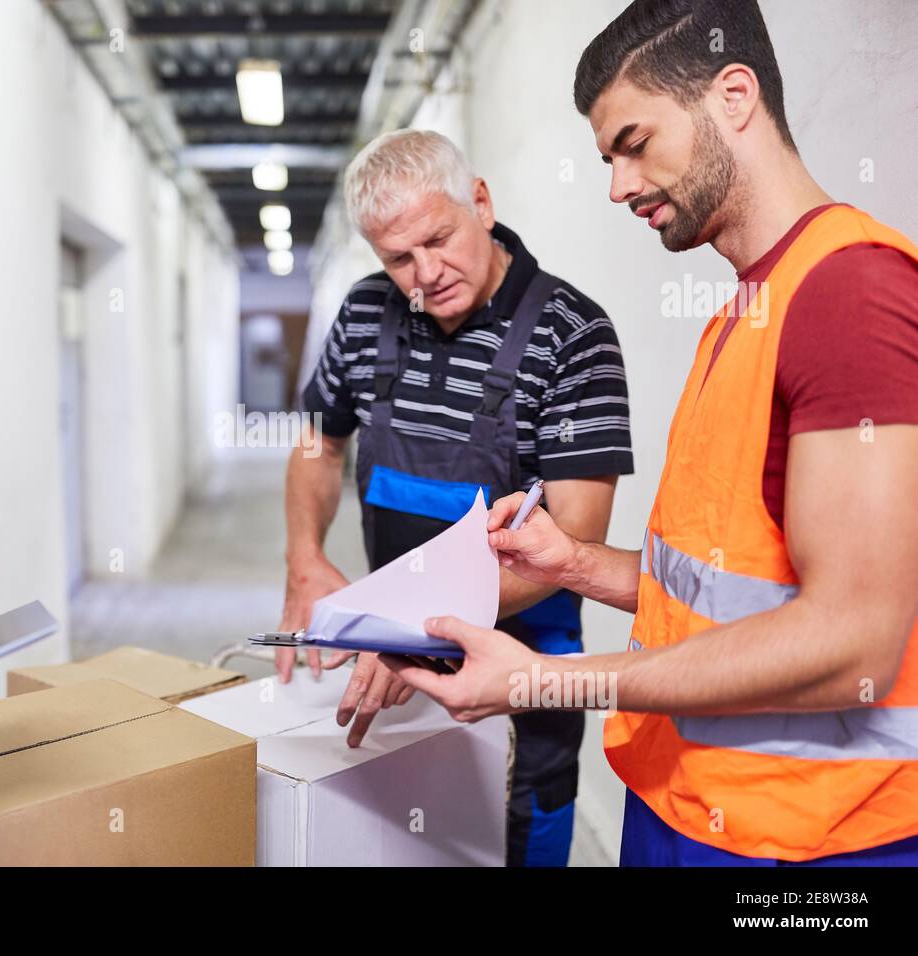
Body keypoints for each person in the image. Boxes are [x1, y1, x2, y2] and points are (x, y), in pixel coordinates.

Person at [387, 0, 918, 866]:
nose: (618, 185)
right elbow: (725, 590)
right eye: (607, 158)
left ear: (733, 96)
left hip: (811, 843)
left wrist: (539, 678)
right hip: (684, 803)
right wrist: (576, 565)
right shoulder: (745, 310)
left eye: (633, 143)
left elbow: (848, 639)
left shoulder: (848, 295)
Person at [280, 130, 635, 865]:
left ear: (480, 200)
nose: (426, 274)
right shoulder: (364, 313)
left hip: (522, 670)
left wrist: (411, 624)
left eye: (439, 239)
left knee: (514, 840)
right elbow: (319, 440)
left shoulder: (573, 335)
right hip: (395, 663)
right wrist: (304, 555)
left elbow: (575, 537)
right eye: (397, 258)